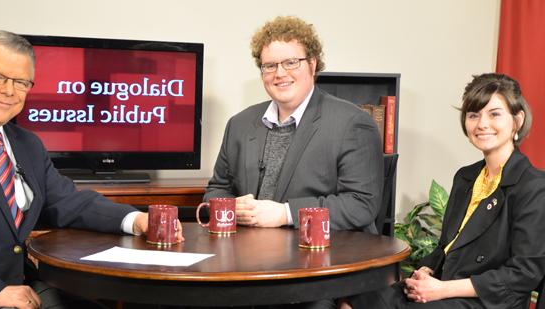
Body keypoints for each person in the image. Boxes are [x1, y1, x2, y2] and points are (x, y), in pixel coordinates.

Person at [0, 30, 183, 309]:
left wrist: (135, 220)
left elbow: (67, 201)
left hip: (20, 284)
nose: (9, 91)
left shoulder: (27, 143)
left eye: (21, 82)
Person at [345, 73, 545, 309]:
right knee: (356, 299)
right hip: (443, 287)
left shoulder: (534, 186)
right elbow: (447, 246)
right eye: (473, 115)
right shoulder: (465, 177)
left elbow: (524, 273)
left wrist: (441, 290)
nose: (482, 124)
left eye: (494, 114)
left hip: (487, 301)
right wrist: (426, 270)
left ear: (518, 120)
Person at [204, 16, 384, 233]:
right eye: (270, 66)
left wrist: (285, 213)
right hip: (250, 254)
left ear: (312, 63)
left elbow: (361, 204)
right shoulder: (239, 124)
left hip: (323, 256)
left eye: (291, 62)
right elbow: (217, 189)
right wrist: (233, 207)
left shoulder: (353, 123)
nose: (280, 74)